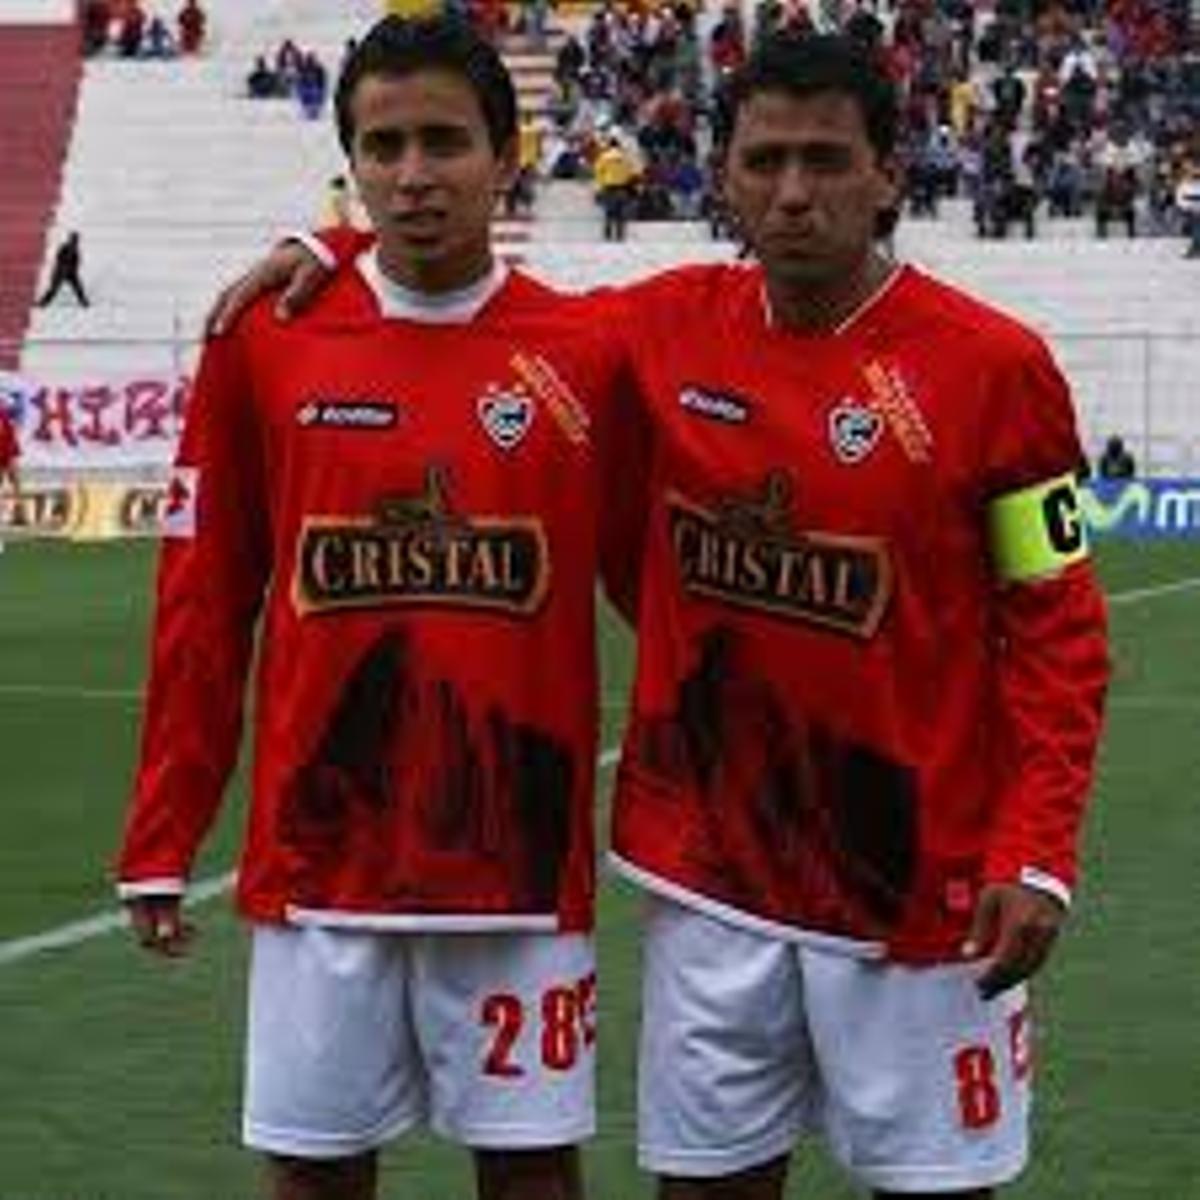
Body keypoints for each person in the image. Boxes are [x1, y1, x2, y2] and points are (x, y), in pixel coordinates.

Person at [208, 33, 1110, 1200]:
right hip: (709, 880)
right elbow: (471, 303)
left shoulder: (998, 369)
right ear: (723, 177)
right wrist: (336, 246)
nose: (794, 194)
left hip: (917, 887)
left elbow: (1059, 628)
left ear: (890, 173)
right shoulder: (659, 326)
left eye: (827, 160)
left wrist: (1036, 852)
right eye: (765, 162)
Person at [116, 17, 641, 1200]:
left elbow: (661, 594)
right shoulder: (263, 342)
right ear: (349, 161)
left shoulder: (591, 349)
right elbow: (203, 601)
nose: (413, 175)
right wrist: (162, 835)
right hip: (320, 863)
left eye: (444, 142)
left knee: (533, 1178)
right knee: (311, 1179)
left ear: (507, 156)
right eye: (383, 146)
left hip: (517, 864)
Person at [36, 231, 90, 308]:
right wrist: (63, 267)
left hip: (71, 273)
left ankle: (83, 302)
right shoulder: (64, 248)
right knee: (53, 289)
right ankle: (43, 303)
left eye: (75, 241)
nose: (74, 242)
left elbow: (76, 263)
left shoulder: (75, 251)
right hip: (60, 272)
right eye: (73, 240)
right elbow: (58, 258)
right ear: (70, 240)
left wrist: (72, 270)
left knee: (78, 287)